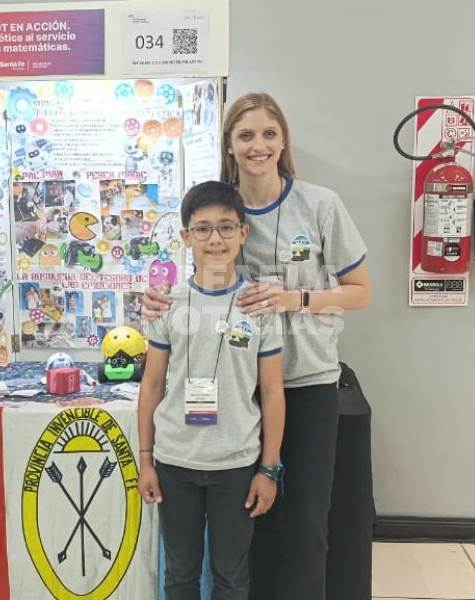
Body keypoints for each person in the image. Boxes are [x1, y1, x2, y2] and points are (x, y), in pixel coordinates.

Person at [143, 93, 372, 599]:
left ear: (283, 140)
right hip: (239, 390)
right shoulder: (220, 207)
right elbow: (201, 273)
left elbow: (361, 291)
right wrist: (159, 298)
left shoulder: (320, 205)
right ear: (229, 144)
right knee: (251, 524)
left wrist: (295, 298)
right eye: (245, 135)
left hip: (306, 384)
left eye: (269, 133)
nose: (258, 145)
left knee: (308, 520)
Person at [137, 181, 286, 600]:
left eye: (225, 227)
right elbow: (151, 385)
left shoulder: (258, 306)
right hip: (175, 461)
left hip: (236, 463)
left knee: (231, 576)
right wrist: (146, 460)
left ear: (244, 233)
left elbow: (272, 391)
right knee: (180, 574)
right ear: (186, 238)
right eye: (202, 229)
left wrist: (268, 468)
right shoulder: (168, 305)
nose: (215, 239)